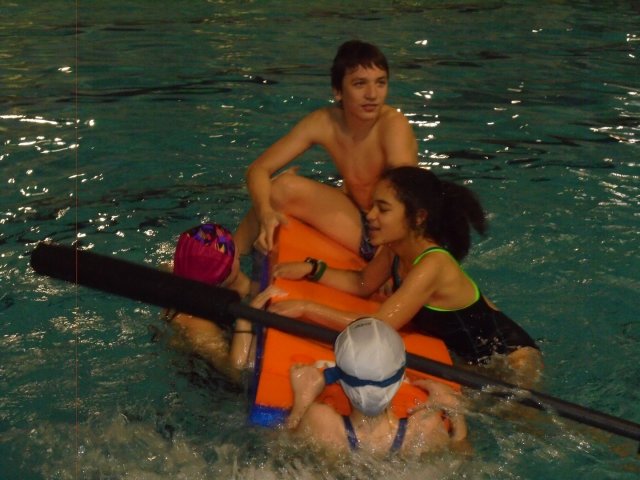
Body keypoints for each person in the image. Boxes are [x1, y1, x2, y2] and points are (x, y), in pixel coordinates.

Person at [270, 166, 543, 385]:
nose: (370, 216)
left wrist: (306, 308)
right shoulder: (394, 248)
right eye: (372, 206)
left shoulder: (433, 265)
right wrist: (314, 269)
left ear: (418, 217)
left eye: (383, 209)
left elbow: (378, 327)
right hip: (471, 360)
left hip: (512, 360)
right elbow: (361, 283)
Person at [234, 40, 418, 260]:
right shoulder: (325, 122)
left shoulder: (393, 126)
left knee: (282, 188)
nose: (372, 94)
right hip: (356, 213)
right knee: (279, 187)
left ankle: (228, 263)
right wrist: (265, 212)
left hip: (383, 237)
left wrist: (390, 260)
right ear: (338, 92)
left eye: (380, 83)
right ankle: (229, 257)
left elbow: (409, 199)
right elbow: (258, 169)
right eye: (360, 84)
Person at [286, 317, 467, 456]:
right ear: (401, 378)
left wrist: (303, 399)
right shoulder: (426, 427)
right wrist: (455, 412)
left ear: (340, 377)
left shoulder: (321, 422)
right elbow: (461, 454)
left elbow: (289, 447)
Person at [167, 223, 273, 383]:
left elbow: (246, 287)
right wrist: (245, 319)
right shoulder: (200, 325)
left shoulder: (179, 273)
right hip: (207, 381)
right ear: (224, 275)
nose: (239, 257)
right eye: (236, 258)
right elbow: (236, 374)